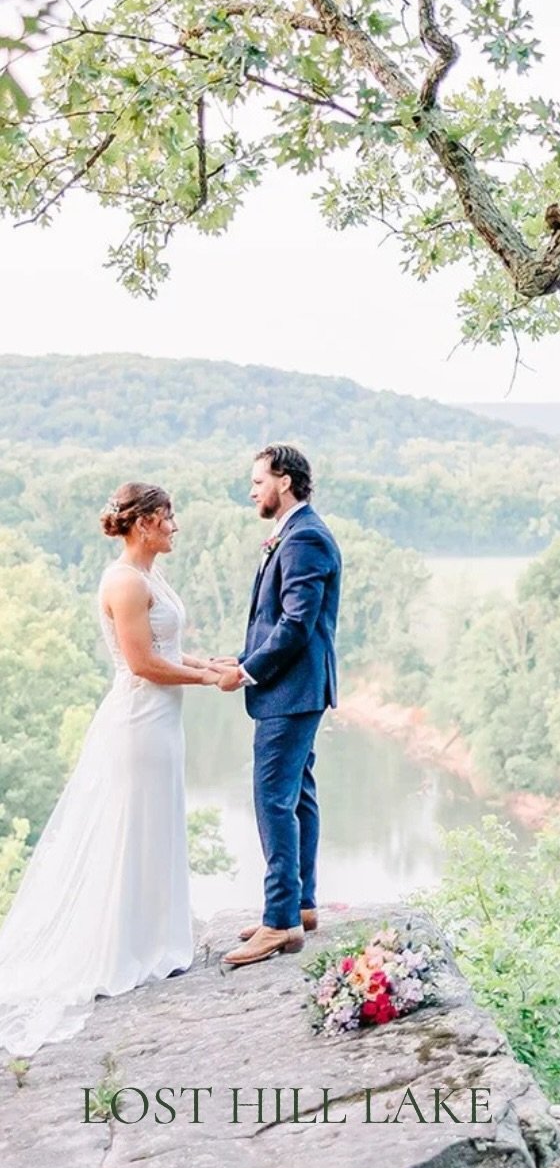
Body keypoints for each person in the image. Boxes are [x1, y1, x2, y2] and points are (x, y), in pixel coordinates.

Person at [0, 483, 224, 1059]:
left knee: (157, 825)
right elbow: (145, 663)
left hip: (163, 725)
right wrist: (205, 681)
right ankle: (126, 949)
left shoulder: (151, 576)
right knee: (134, 828)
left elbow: (170, 647)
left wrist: (212, 662)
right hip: (139, 723)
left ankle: (157, 940)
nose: (175, 526)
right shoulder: (123, 580)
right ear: (145, 521)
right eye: (169, 517)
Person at [216, 444, 342, 968]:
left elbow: (296, 624)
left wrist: (249, 671)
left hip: (289, 693)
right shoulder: (295, 532)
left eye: (258, 481)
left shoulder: (305, 536)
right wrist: (243, 655)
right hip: (296, 689)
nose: (251, 491)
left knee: (272, 799)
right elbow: (276, 622)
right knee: (298, 795)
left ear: (285, 481)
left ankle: (279, 923)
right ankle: (302, 905)